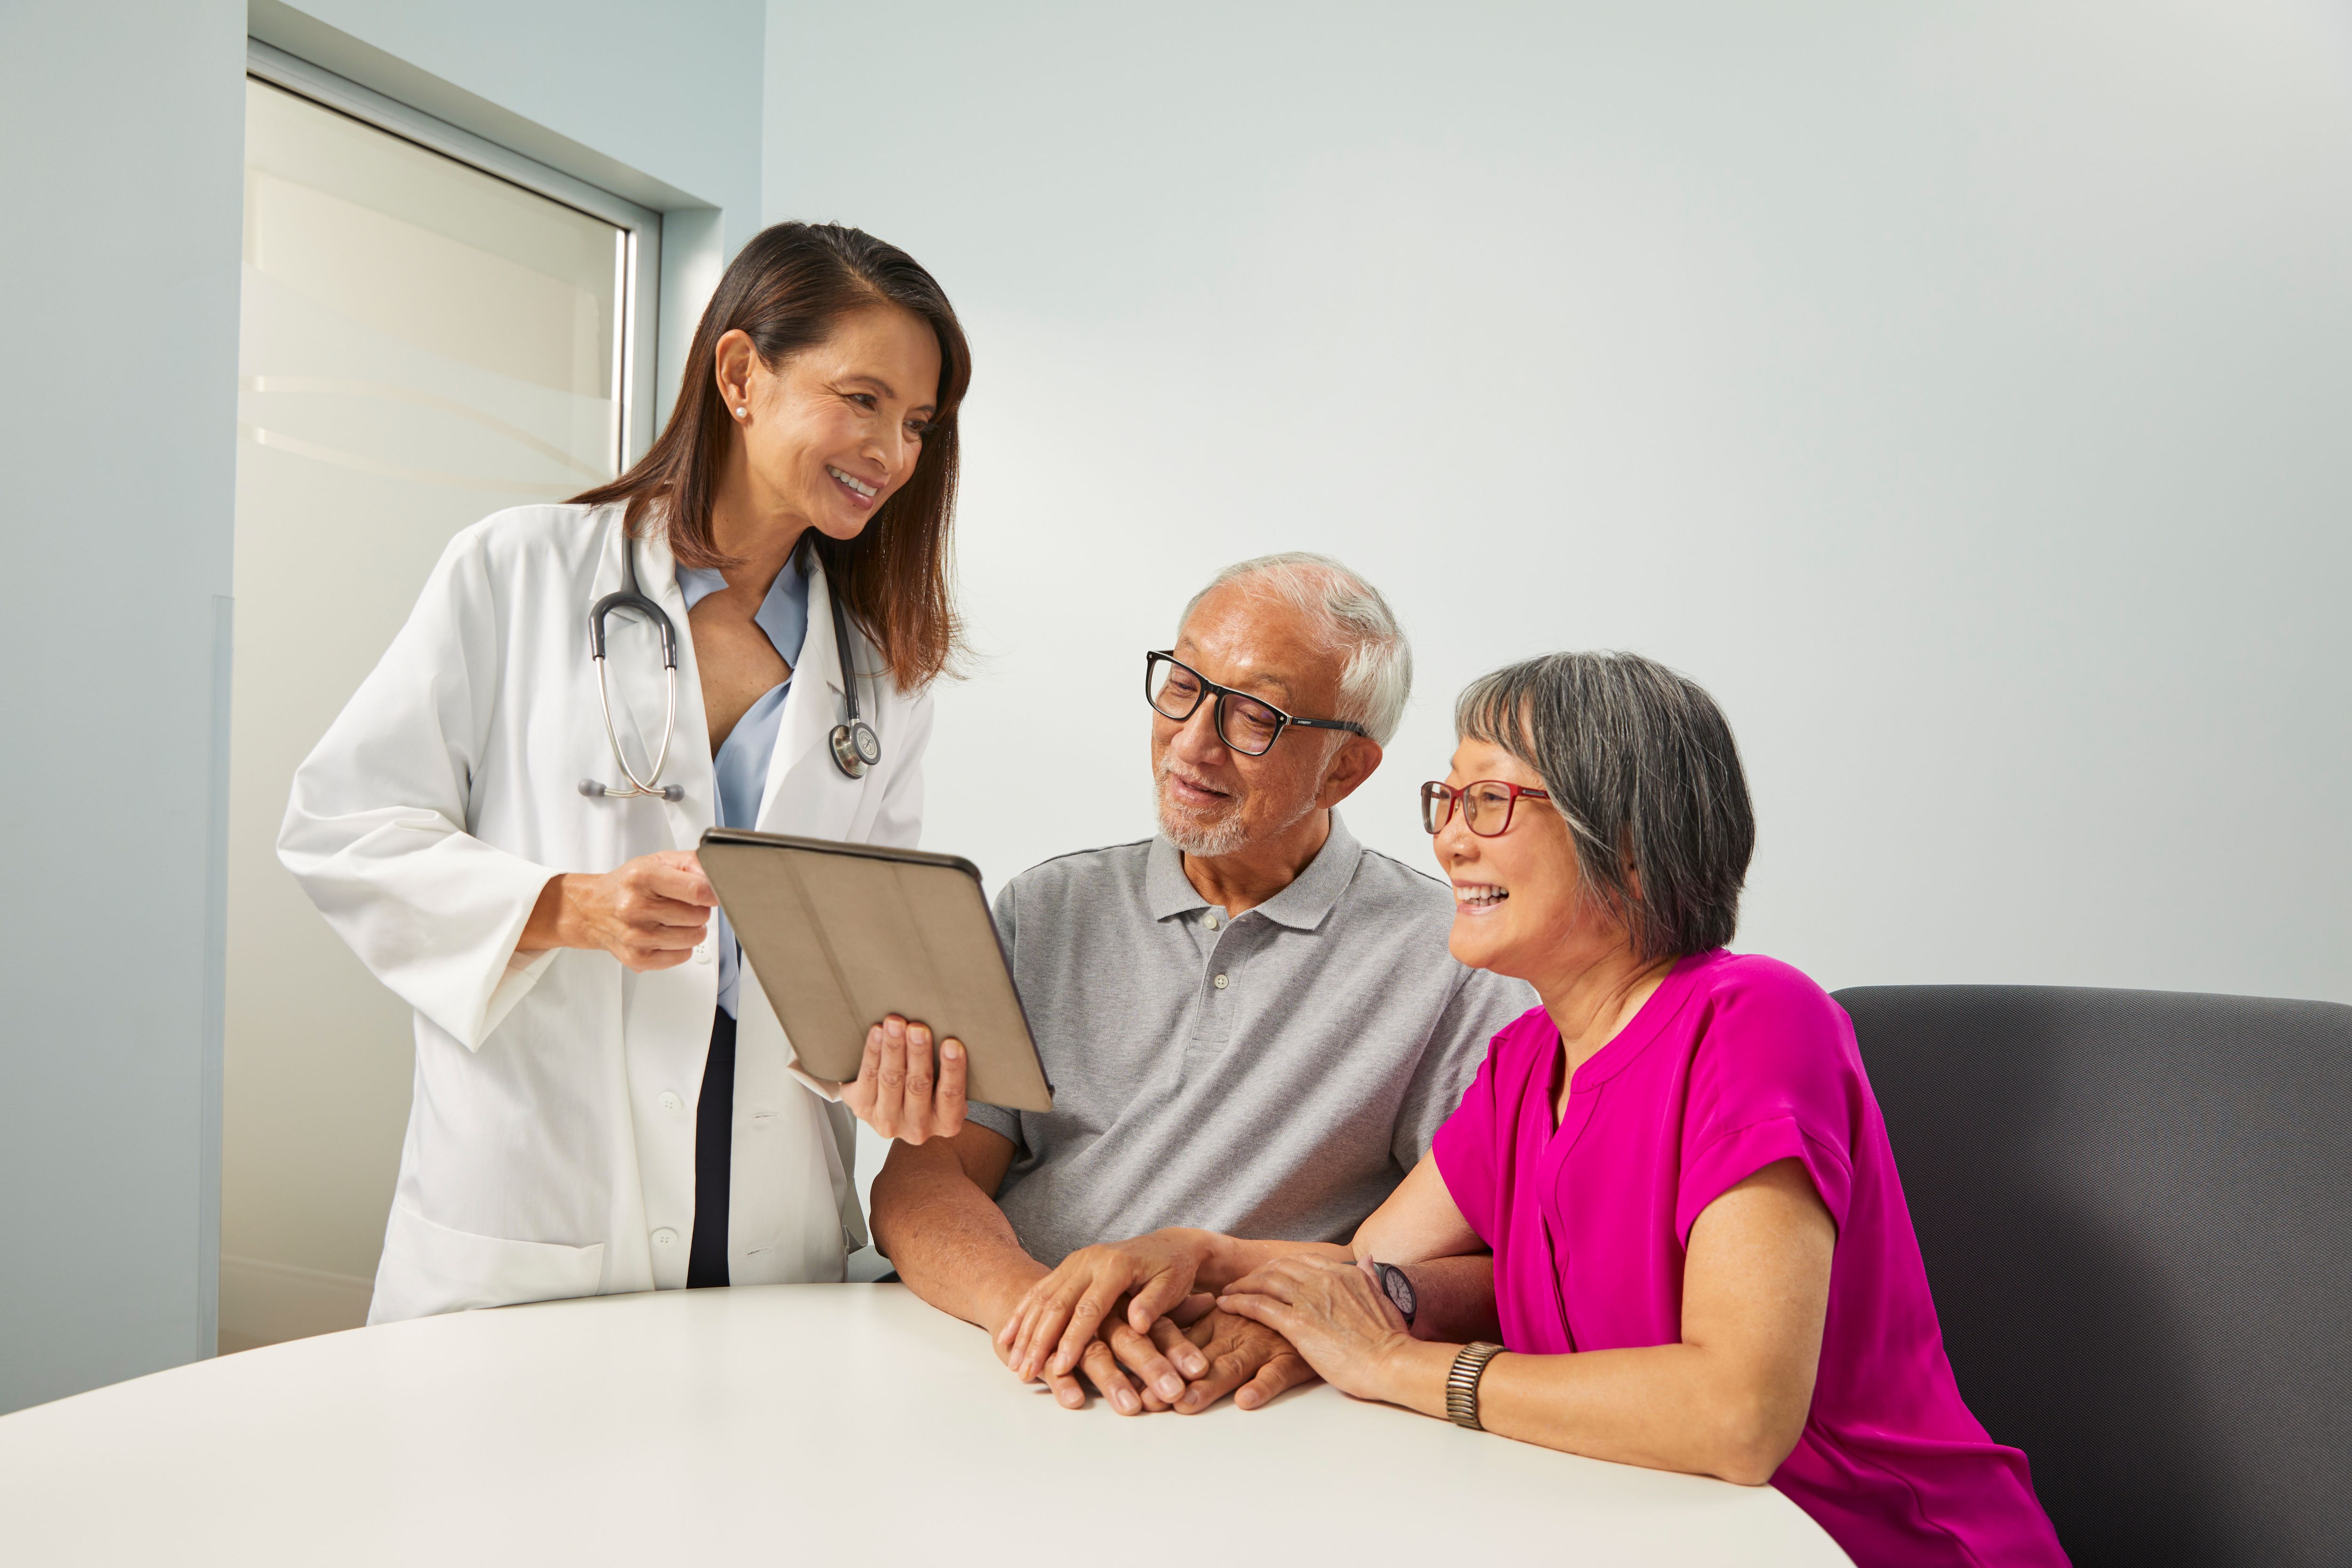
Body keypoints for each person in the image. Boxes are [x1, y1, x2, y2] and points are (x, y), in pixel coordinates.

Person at [1012, 651, 2069, 1566]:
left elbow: (1738, 1415)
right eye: (1449, 800)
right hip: (1648, 1528)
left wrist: (1399, 1365)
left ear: (1631, 838)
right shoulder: (1527, 1061)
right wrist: (1192, 1251)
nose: (1450, 844)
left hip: (1860, 1540)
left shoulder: (1753, 1019)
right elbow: (1381, 1265)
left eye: (1491, 803)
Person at [280, 222, 974, 1324]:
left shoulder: (881, 672)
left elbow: (856, 945)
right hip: (544, 1201)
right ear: (741, 373)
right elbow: (341, 823)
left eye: (918, 423)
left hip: (766, 1205)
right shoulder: (520, 570)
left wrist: (887, 1056)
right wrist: (567, 906)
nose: (892, 450)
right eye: (862, 399)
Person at [871, 554, 1535, 1416]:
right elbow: (918, 1182)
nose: (1191, 740)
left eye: (1254, 715)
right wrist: (1042, 1317)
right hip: (997, 1369)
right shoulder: (1046, 907)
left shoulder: (1449, 961)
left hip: (1236, 1411)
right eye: (1183, 684)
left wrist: (1311, 1322)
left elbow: (1511, 1266)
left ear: (1347, 768)